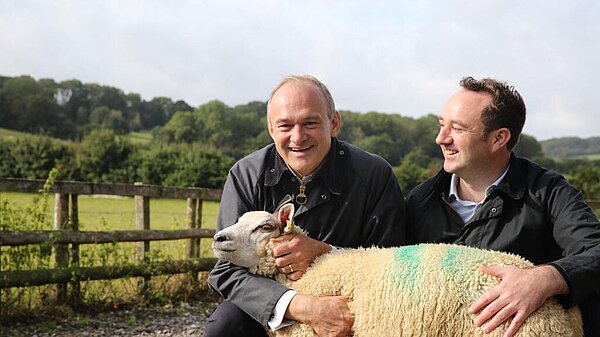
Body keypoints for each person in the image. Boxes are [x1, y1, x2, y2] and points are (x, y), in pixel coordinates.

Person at [205, 74, 406, 337]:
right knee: (226, 325)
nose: (297, 137)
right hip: (274, 305)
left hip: (352, 302)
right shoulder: (246, 175)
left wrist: (326, 253)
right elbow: (225, 270)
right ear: (271, 129)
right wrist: (299, 305)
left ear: (333, 123)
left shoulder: (373, 175)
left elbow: (394, 259)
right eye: (285, 125)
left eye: (310, 123)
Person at [406, 76, 600, 336]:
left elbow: (596, 249)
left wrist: (547, 278)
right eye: (442, 125)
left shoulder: (548, 192)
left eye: (458, 128)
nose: (441, 138)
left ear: (499, 138)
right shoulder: (421, 199)